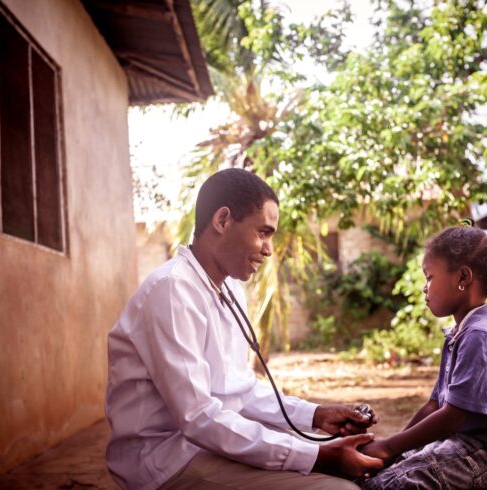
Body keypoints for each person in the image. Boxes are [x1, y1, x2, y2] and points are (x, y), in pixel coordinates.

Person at [105, 168, 384, 490]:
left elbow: (239, 390)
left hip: (207, 442)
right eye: (263, 232)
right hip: (166, 460)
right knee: (340, 488)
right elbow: (198, 417)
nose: (268, 249)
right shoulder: (171, 290)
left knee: (360, 464)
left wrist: (316, 415)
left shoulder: (230, 288)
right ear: (222, 220)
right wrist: (319, 455)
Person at [359, 225, 487, 489]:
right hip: (466, 440)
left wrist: (388, 448)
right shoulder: (462, 332)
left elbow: (453, 417)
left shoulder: (482, 336)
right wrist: (393, 450)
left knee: (386, 485)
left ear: (463, 277)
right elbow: (435, 405)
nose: (425, 288)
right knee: (382, 470)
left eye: (429, 277)